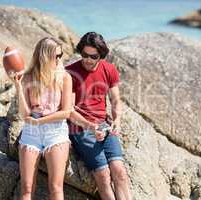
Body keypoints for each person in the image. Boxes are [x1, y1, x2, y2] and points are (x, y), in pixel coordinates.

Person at [66, 32, 132, 200]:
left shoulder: (109, 69)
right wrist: (91, 126)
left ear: (101, 55)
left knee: (120, 171)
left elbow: (115, 99)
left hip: (104, 125)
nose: (87, 60)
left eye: (93, 56)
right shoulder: (70, 73)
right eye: (84, 55)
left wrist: (117, 120)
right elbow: (69, 111)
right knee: (103, 175)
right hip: (80, 128)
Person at [13, 37, 72, 200]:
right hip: (31, 132)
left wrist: (40, 121)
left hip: (56, 132)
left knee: (55, 187)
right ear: (44, 56)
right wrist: (18, 88)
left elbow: (66, 112)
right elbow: (25, 115)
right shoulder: (28, 77)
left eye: (61, 55)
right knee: (26, 188)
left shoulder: (65, 77)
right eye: (56, 56)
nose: (60, 59)